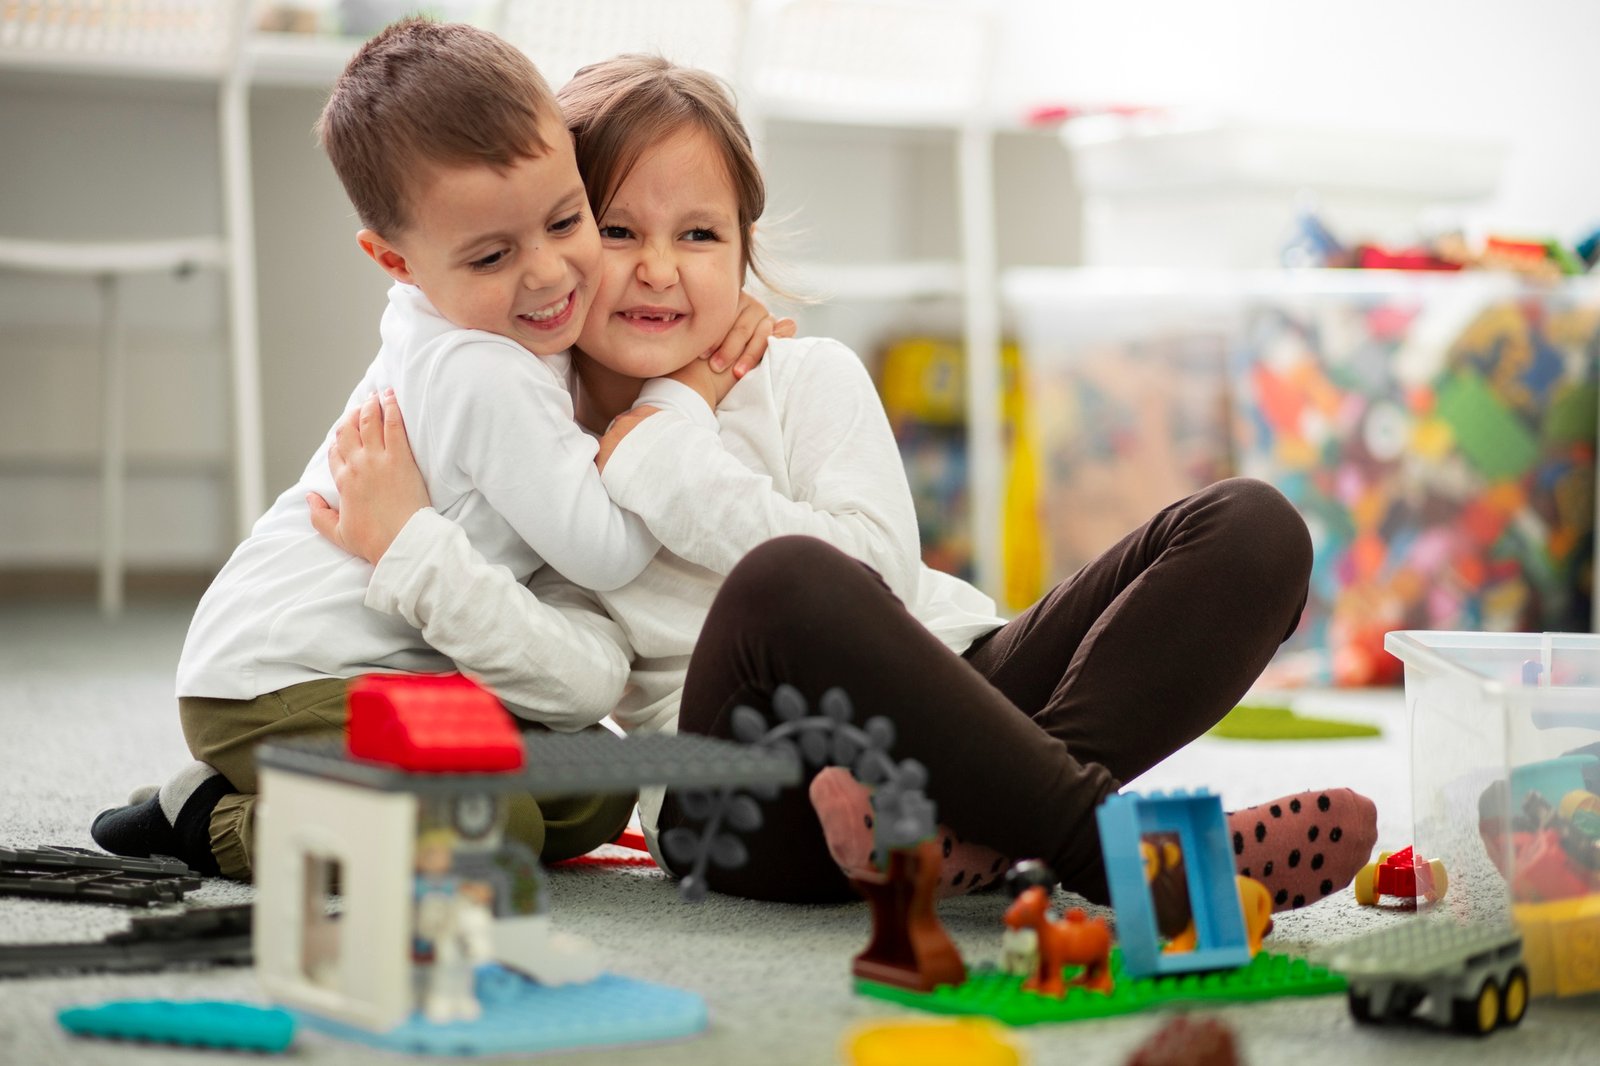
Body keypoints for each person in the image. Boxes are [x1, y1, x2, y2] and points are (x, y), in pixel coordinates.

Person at [308, 54, 1378, 910]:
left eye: (698, 235)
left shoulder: (808, 375)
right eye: (617, 229)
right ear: (567, 233)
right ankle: (1106, 848)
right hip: (754, 789)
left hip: (958, 681)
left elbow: (873, 574)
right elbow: (561, 669)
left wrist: (665, 449)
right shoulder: (532, 447)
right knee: (780, 584)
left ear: (742, 251)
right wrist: (411, 545)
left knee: (1253, 526)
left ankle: (989, 832)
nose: (657, 267)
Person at [89, 21, 788, 882]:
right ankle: (210, 816)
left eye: (568, 220)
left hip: (413, 670)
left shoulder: (491, 322)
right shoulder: (480, 371)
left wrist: (700, 329)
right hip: (280, 676)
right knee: (483, 830)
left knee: (592, 795)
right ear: (396, 262)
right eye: (493, 254)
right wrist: (686, 388)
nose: (547, 276)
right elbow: (608, 552)